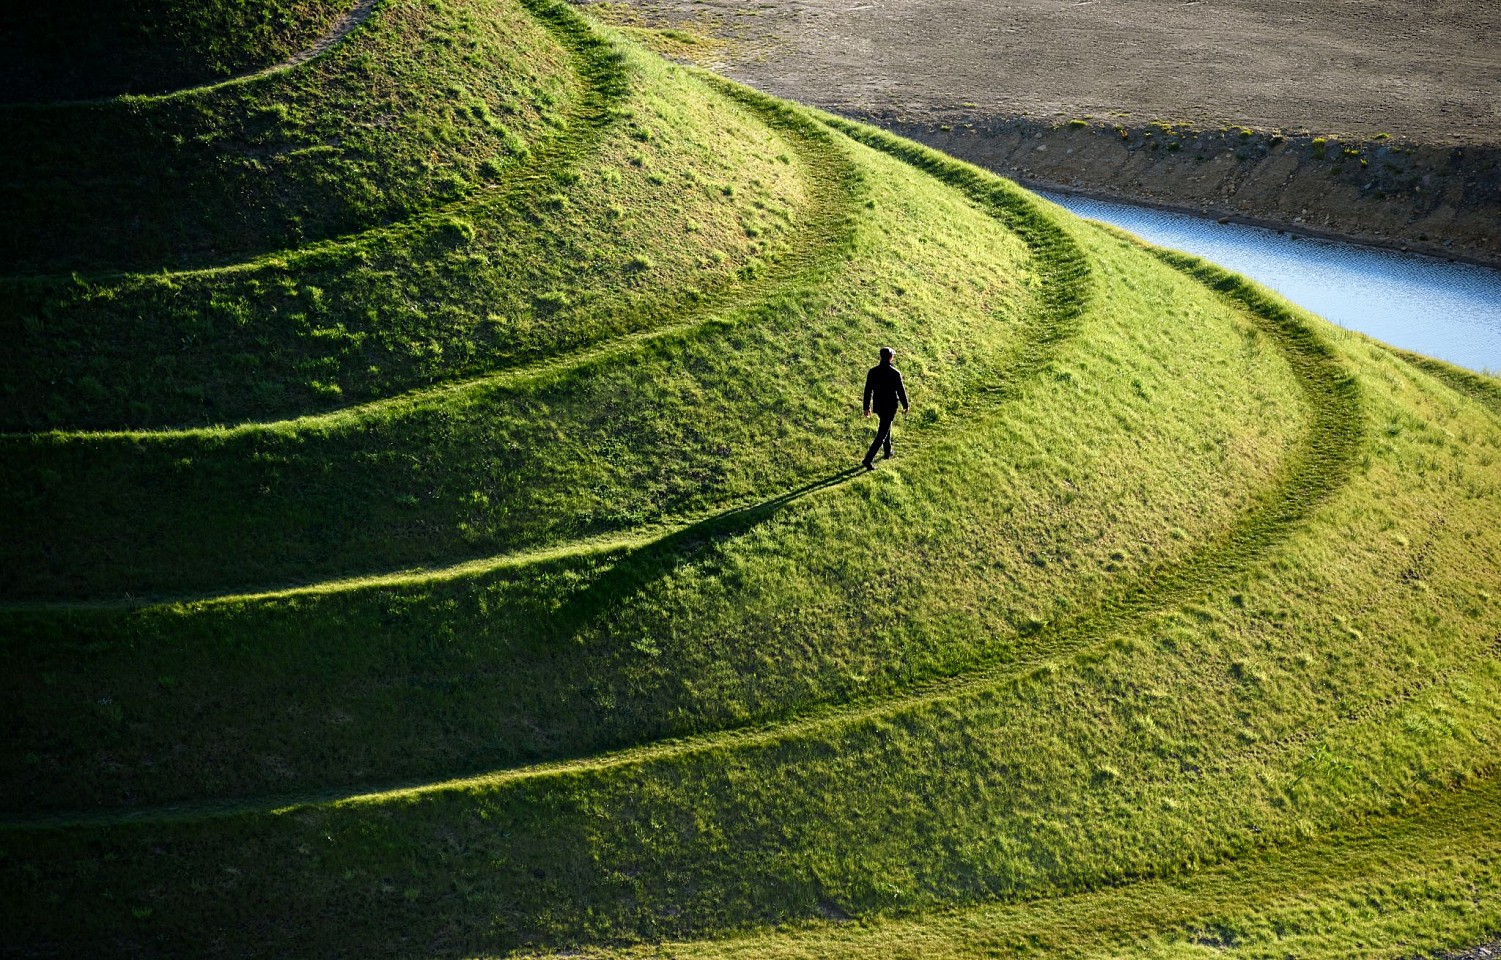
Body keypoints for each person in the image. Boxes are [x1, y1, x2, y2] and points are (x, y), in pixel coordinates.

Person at [862, 345, 909, 469]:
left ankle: (888, 451)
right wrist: (906, 405)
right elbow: (901, 391)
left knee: (885, 425)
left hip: (878, 406)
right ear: (890, 357)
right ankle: (868, 459)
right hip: (890, 406)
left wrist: (866, 407)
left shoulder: (873, 372)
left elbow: (867, 391)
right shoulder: (895, 373)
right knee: (882, 433)